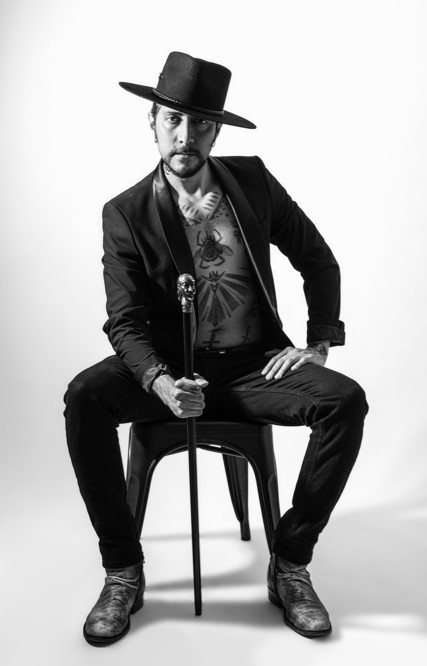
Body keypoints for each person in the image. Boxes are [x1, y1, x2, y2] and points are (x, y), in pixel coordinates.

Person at [64, 51, 368, 646]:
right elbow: (124, 322)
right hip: (171, 369)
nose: (185, 135)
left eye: (201, 123)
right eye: (172, 120)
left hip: (254, 367)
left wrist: (318, 343)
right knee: (85, 397)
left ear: (217, 130)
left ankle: (291, 564)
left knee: (345, 402)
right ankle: (122, 570)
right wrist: (160, 383)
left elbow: (317, 259)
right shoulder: (126, 212)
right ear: (152, 121)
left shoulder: (252, 182)